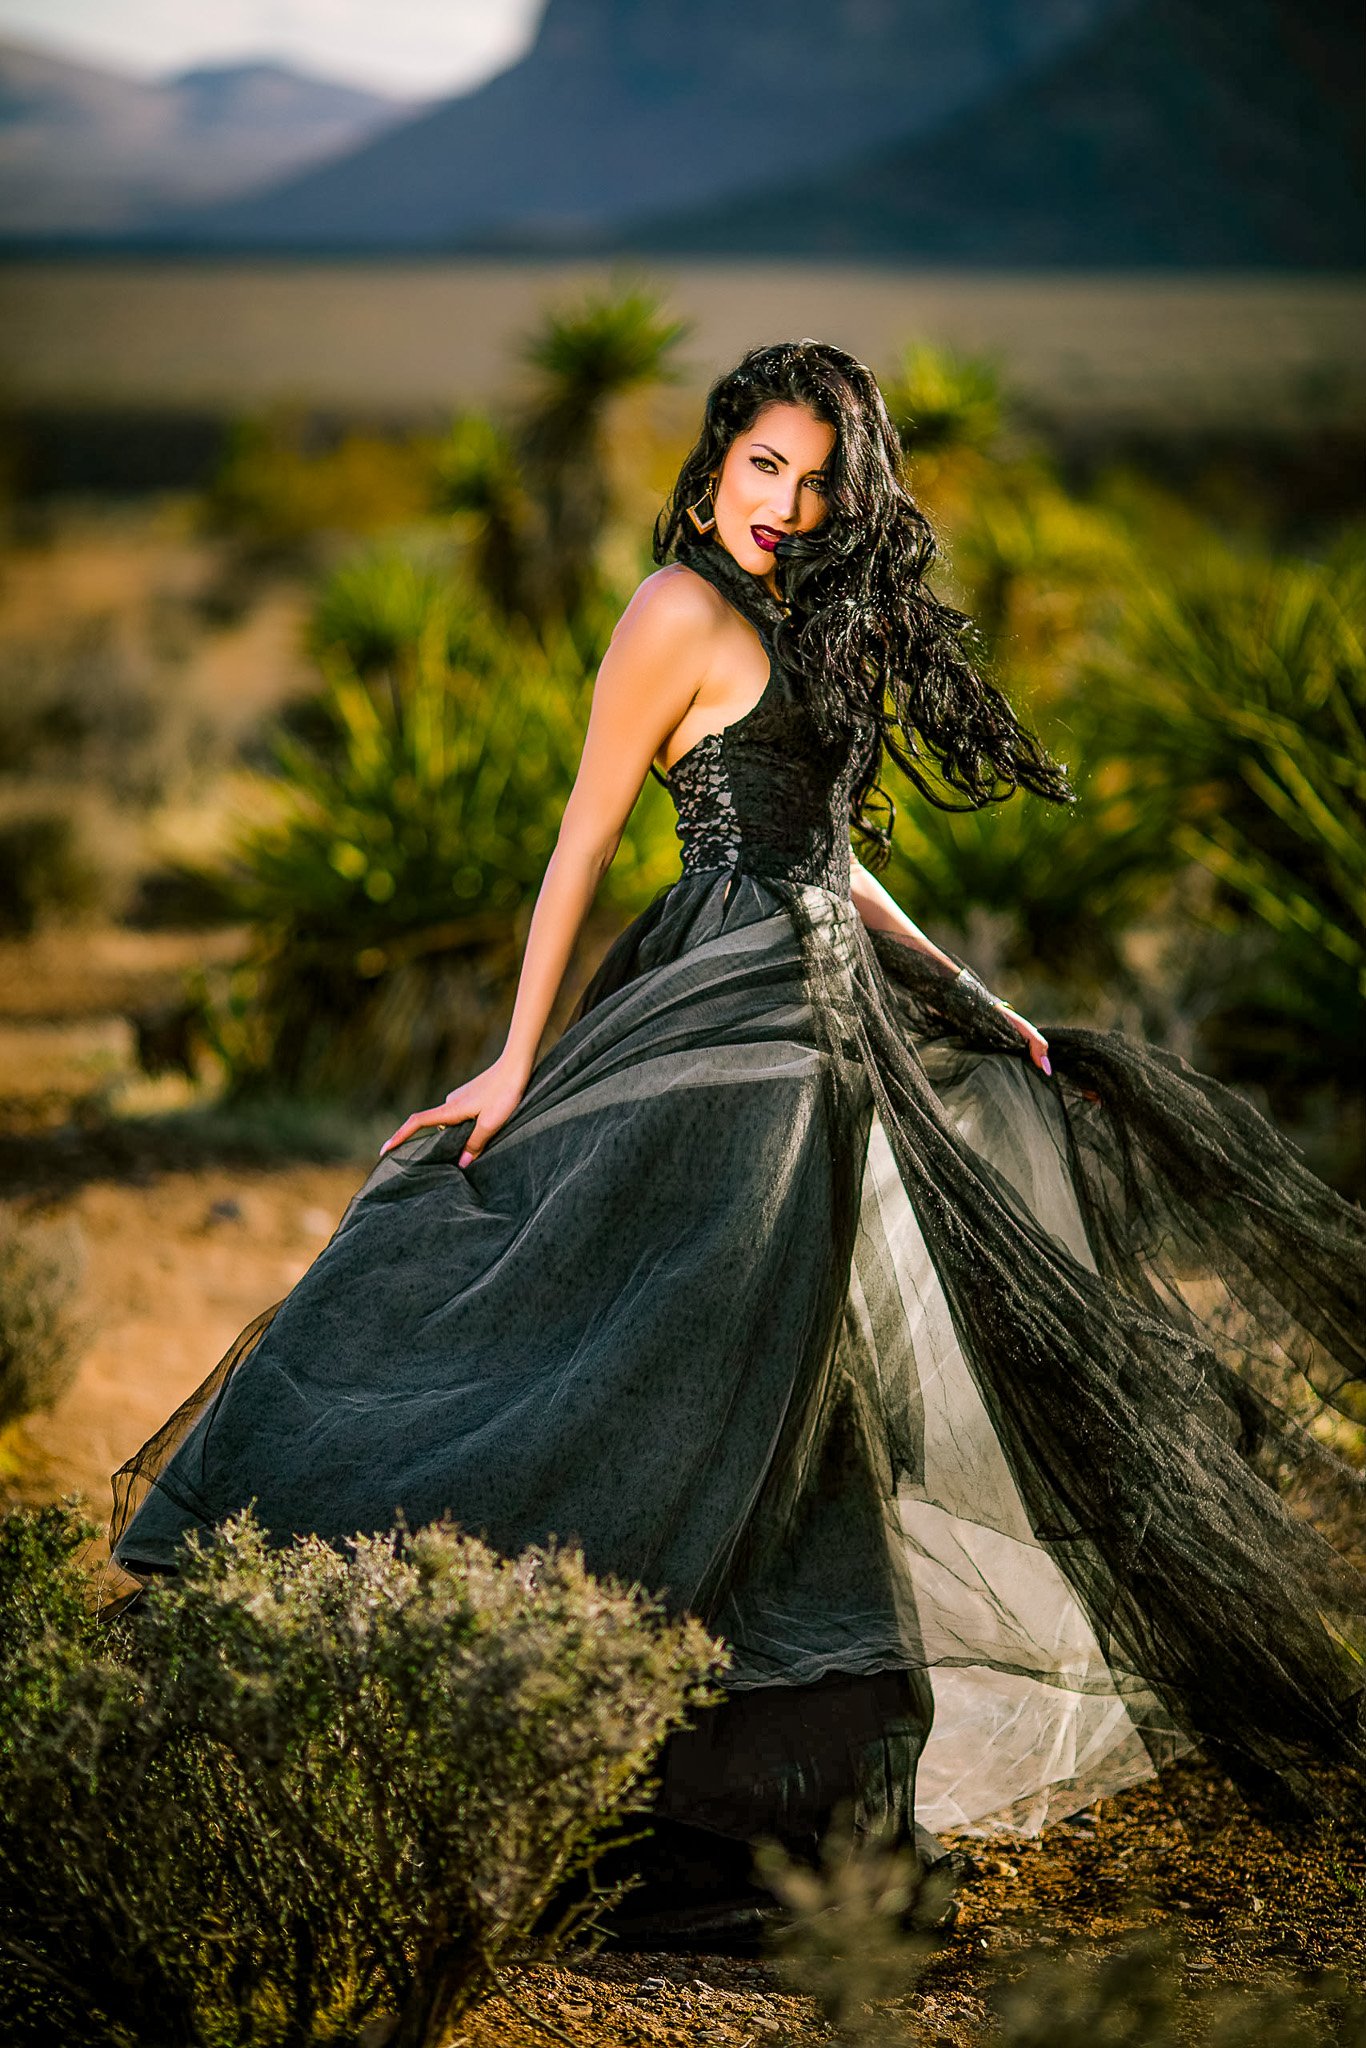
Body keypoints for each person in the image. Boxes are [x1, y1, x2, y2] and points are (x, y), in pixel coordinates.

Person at [110, 340, 1365, 1945]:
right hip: (721, 1037)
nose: (786, 502)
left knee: (791, 1403)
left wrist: (974, 998)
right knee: (664, 1366)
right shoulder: (673, 613)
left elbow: (825, 857)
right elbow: (583, 835)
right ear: (709, 467)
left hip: (828, 1035)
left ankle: (767, 1793)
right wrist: (510, 1058)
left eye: (820, 477)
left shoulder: (800, 621)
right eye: (761, 466)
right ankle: (469, 1692)